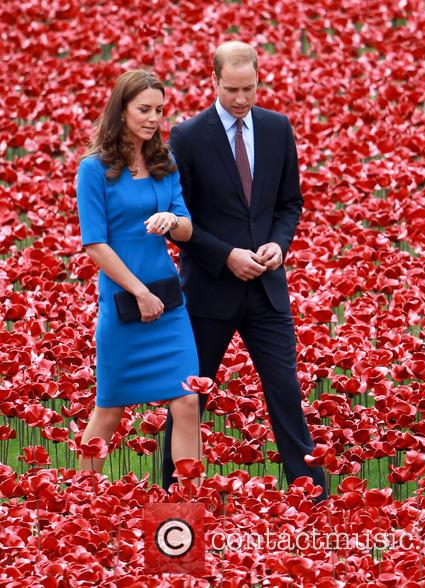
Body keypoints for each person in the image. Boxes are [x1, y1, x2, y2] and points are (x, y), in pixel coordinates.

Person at [162, 41, 328, 500]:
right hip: (210, 292)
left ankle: (313, 497)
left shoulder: (277, 129)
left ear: (259, 79)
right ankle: (173, 494)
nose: (241, 99)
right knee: (189, 400)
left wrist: (278, 242)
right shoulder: (188, 136)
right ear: (213, 81)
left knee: (285, 391)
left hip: (267, 291)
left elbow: (289, 203)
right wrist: (227, 255)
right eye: (232, 89)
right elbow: (179, 222)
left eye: (249, 88)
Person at [76, 70, 201, 477]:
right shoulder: (94, 169)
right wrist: (140, 293)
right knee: (110, 408)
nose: (153, 118)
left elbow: (187, 226)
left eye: (159, 110)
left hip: (168, 303)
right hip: (122, 301)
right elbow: (95, 243)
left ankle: (188, 500)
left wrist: (171, 219)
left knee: (185, 400)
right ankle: (79, 500)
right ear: (122, 111)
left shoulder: (165, 163)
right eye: (144, 109)